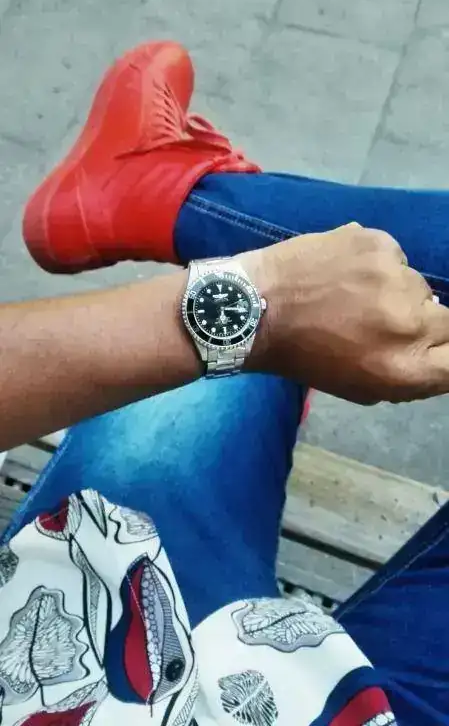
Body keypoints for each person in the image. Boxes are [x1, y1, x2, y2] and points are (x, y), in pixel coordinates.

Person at [0, 41, 448, 726]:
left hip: (97, 666)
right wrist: (265, 304)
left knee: (239, 374)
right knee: (262, 346)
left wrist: (262, 304)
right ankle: (168, 199)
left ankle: (161, 196)